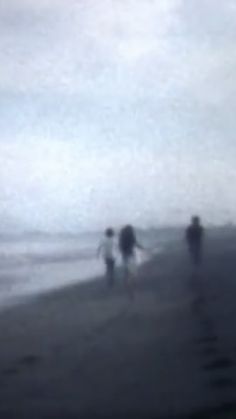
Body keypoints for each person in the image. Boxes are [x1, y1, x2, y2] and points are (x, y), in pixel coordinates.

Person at [119, 225, 144, 298]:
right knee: (133, 274)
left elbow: (120, 248)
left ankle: (128, 288)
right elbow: (136, 244)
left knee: (127, 273)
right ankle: (131, 291)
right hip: (131, 256)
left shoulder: (122, 238)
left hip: (124, 256)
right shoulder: (131, 236)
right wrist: (142, 248)